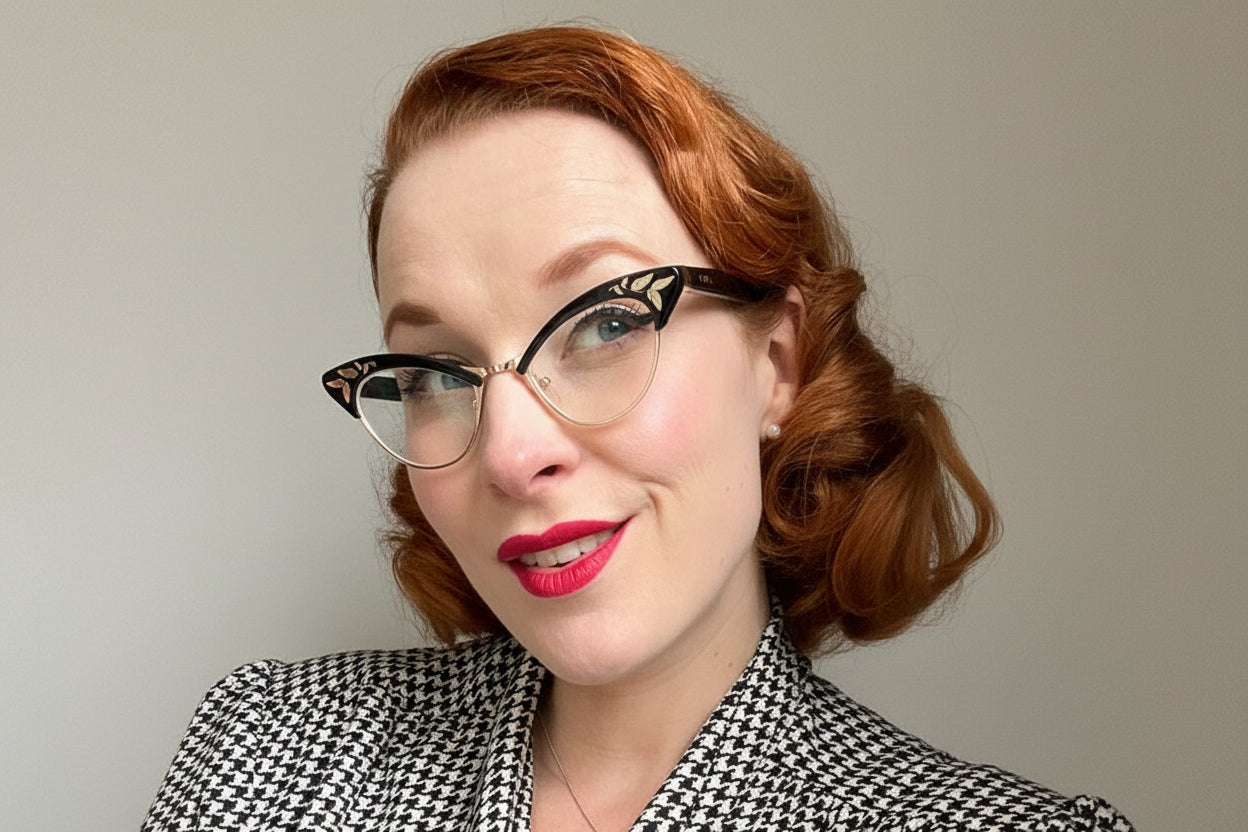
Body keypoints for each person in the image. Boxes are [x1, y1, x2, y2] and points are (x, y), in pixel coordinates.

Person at [143, 26, 1135, 832]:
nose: (512, 453)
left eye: (606, 323)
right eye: (440, 371)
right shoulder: (271, 755)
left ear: (776, 362)